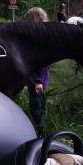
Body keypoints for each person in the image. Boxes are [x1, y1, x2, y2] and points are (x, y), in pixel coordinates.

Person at [24, 7, 50, 135]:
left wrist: (38, 81)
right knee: (39, 105)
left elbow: (44, 61)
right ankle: (42, 128)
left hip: (37, 81)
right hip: (35, 79)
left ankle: (42, 134)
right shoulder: (39, 34)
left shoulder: (42, 37)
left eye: (28, 19)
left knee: (36, 109)